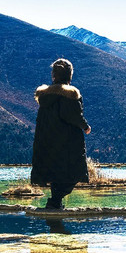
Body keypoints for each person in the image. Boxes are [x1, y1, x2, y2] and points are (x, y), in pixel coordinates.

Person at [30, 58, 91, 209]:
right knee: (72, 173)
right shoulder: (70, 95)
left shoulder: (44, 96)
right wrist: (85, 126)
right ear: (70, 75)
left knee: (55, 174)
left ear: (53, 75)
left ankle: (55, 204)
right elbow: (73, 115)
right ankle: (55, 202)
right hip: (67, 142)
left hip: (46, 141)